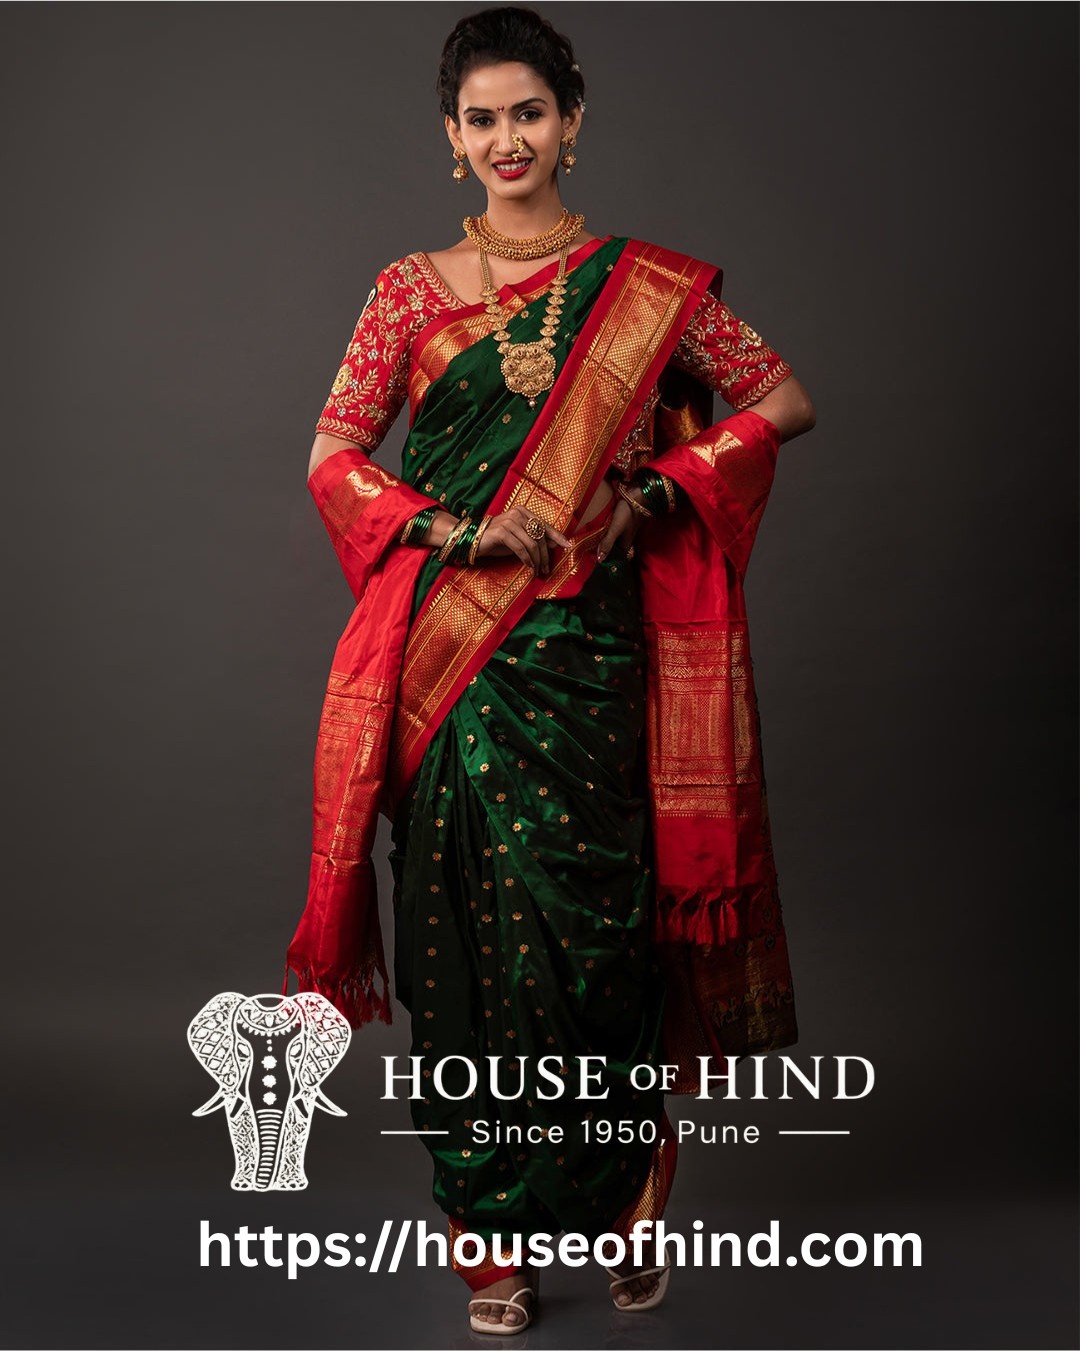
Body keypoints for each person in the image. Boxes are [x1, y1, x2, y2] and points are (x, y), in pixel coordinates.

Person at [285, 4, 815, 1335]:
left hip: (596, 672)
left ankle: (635, 1207)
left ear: (572, 119)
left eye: (531, 111)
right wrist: (461, 527)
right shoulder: (407, 294)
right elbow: (333, 458)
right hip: (453, 686)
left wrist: (659, 487)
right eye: (482, 119)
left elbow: (779, 399)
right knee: (467, 957)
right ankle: (491, 1249)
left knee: (602, 947)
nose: (508, 138)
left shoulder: (647, 285)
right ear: (452, 142)